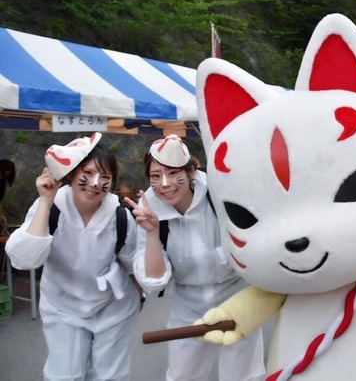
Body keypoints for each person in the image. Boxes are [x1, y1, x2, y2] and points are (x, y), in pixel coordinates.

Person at [125, 135, 265, 381]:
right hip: (186, 307)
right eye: (156, 176)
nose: (165, 184)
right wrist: (152, 233)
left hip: (236, 299)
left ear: (191, 171)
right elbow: (154, 281)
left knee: (244, 375)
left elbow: (255, 241)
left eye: (172, 173)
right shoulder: (148, 211)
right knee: (184, 375)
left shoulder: (220, 194)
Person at [5, 133, 141, 381]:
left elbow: (133, 262)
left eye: (105, 177)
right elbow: (25, 259)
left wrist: (141, 291)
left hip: (113, 307)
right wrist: (46, 201)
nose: (95, 183)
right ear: (71, 174)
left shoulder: (120, 216)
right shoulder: (51, 207)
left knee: (110, 376)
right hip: (62, 307)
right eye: (87, 174)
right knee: (64, 375)